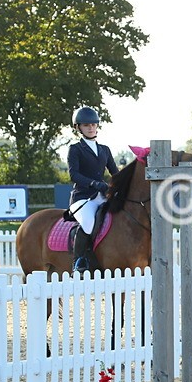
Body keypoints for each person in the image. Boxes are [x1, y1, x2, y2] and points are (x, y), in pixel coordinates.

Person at [66, 106, 118, 273]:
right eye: (86, 125)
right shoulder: (75, 149)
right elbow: (74, 175)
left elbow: (115, 173)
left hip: (102, 196)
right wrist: (94, 184)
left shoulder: (105, 149)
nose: (90, 128)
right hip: (82, 197)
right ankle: (78, 262)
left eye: (93, 124)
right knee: (88, 224)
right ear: (78, 128)